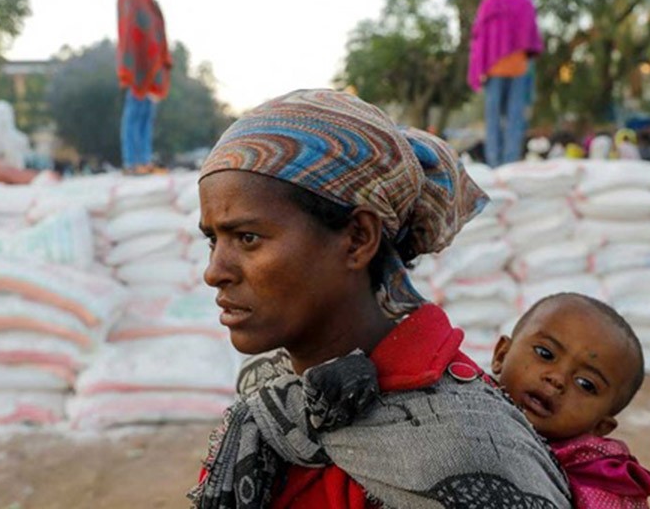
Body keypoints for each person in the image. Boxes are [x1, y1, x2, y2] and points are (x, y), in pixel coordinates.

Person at [190, 89, 571, 508]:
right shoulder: (274, 395)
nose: (214, 272)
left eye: (247, 238)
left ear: (358, 238)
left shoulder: (468, 444)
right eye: (213, 240)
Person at [491, 293, 650, 508]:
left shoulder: (601, 483)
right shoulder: (457, 403)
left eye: (585, 384)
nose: (557, 379)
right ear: (501, 355)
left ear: (600, 426)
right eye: (545, 353)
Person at [469, 0, 544, 168]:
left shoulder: (490, 1)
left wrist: (481, 62)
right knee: (515, 116)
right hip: (519, 67)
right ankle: (510, 162)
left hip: (494, 68)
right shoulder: (525, 3)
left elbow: (479, 34)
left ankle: (494, 161)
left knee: (492, 117)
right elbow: (532, 35)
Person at [116, 0, 172, 175]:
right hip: (138, 60)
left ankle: (145, 159)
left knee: (147, 113)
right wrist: (133, 61)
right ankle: (131, 161)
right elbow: (131, 27)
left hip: (151, 62)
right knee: (134, 111)